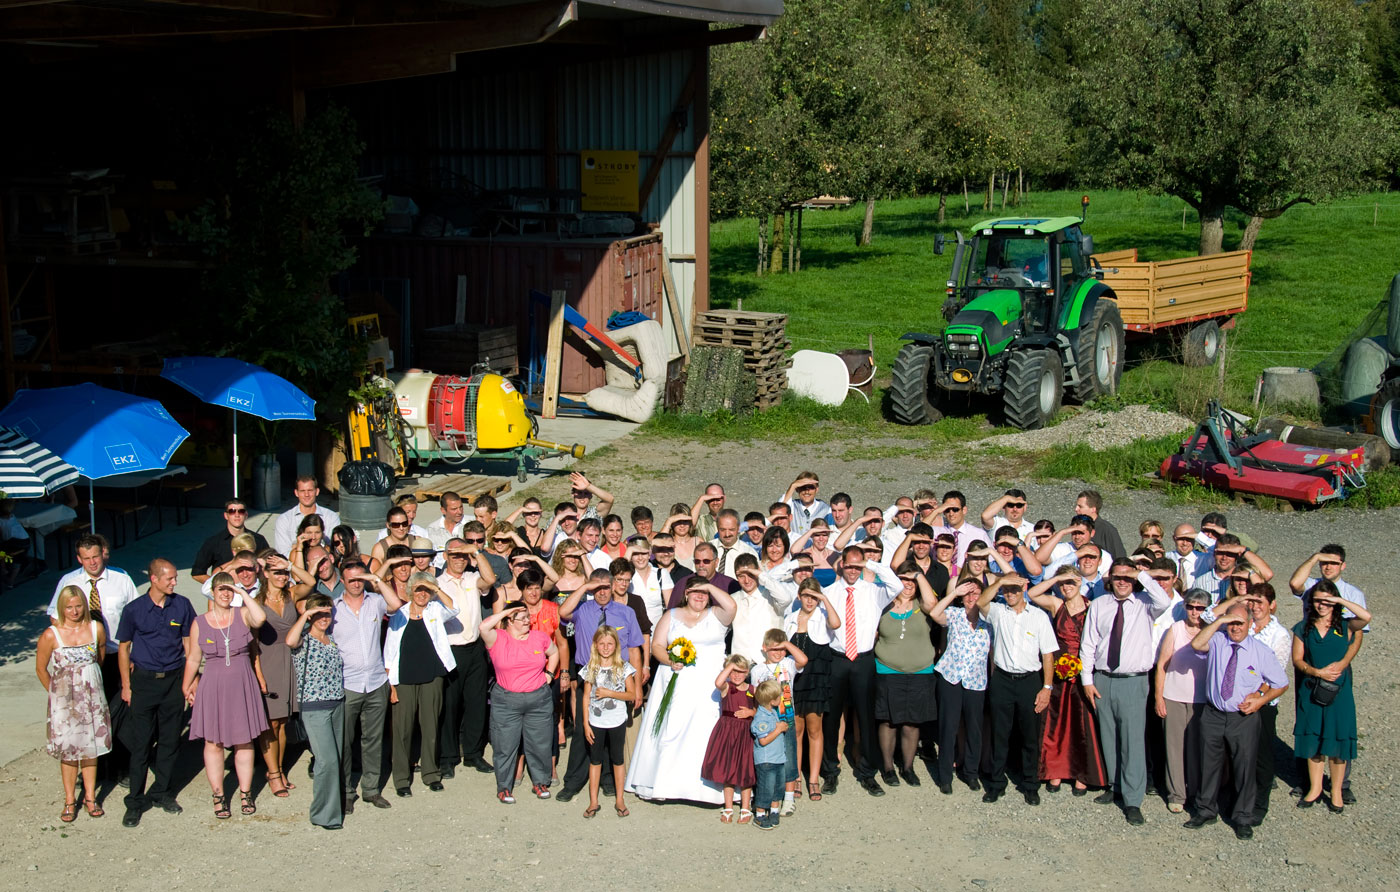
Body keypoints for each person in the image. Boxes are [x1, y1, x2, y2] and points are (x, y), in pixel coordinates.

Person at [626, 577, 737, 804]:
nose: (699, 596)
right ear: (685, 594)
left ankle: (708, 789)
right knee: (671, 729)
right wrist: (669, 660)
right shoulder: (671, 615)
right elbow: (657, 645)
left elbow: (732, 606)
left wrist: (708, 586)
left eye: (703, 593)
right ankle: (667, 783)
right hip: (676, 678)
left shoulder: (718, 614)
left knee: (705, 731)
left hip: (709, 686)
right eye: (694, 592)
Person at [1184, 603, 1289, 840]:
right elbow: (1196, 644)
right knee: (1208, 765)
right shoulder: (1218, 641)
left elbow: (1281, 683)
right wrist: (1219, 622)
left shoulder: (1261, 651)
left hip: (1242, 718)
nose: (1235, 628)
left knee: (1244, 767)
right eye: (1231, 622)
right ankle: (1205, 810)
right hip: (1213, 714)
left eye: (1239, 623)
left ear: (1250, 624)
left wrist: (1260, 700)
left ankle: (1242, 816)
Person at [1079, 559, 1170, 824]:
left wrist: (1141, 574)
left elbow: (1163, 600)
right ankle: (1114, 785)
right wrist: (1087, 679)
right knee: (1108, 736)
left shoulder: (1145, 603)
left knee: (1132, 740)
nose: (1122, 582)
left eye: (1127, 578)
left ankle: (1132, 798)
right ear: (1110, 579)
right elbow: (1089, 642)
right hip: (1103, 678)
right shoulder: (1099, 605)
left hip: (1133, 680)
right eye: (1118, 577)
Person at [183, 572, 270, 819]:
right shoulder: (200, 622)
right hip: (213, 685)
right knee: (213, 742)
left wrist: (242, 593)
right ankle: (219, 795)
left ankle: (245, 793)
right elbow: (193, 658)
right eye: (221, 589)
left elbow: (260, 618)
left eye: (228, 589)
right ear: (212, 592)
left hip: (242, 683)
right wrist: (187, 685)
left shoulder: (242, 614)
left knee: (244, 740)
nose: (224, 593)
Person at [115, 558, 195, 827]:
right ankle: (135, 801)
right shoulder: (134, 610)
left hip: (173, 681)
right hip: (144, 683)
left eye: (175, 578)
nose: (175, 582)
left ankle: (162, 792)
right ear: (154, 579)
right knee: (141, 745)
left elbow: (188, 642)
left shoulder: (181, 604)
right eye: (170, 578)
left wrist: (190, 680)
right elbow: (124, 647)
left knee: (171, 740)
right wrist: (127, 685)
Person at [820, 544, 903, 797]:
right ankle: (830, 771)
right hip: (837, 659)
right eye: (850, 565)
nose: (854, 570)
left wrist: (870, 565)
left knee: (866, 718)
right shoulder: (830, 591)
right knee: (832, 718)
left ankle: (868, 772)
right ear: (842, 564)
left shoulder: (874, 591)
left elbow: (897, 586)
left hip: (864, 660)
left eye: (858, 566)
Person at [558, 571, 647, 802]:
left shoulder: (626, 612)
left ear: (613, 586)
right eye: (597, 588)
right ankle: (574, 781)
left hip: (618, 676)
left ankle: (607, 779)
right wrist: (584, 587)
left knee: (612, 730)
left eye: (606, 587)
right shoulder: (582, 610)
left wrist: (637, 687)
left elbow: (635, 649)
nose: (603, 592)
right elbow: (563, 612)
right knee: (582, 730)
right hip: (590, 676)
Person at [1025, 568, 1108, 796]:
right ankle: (1056, 769)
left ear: (1080, 582)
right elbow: (1032, 594)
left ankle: (1082, 774)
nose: (1067, 587)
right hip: (1059, 671)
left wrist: (1084, 669)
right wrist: (1056, 579)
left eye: (1071, 582)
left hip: (1083, 672)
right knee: (1057, 722)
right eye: (1063, 584)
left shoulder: (1092, 606)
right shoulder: (1056, 604)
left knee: (1081, 725)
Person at [978, 572, 1056, 806]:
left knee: (1029, 735)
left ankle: (1030, 783)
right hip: (1002, 679)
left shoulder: (1039, 617)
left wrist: (1047, 687)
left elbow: (1048, 654)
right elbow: (981, 602)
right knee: (1000, 734)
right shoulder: (999, 612)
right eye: (1006, 590)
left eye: (1014, 589)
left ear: (1023, 589)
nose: (1010, 594)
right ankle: (996, 783)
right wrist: (1000, 582)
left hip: (1029, 680)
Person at [1292, 580, 1370, 813]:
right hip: (1312, 688)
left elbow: (1366, 617)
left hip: (1339, 692)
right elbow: (1297, 659)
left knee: (1338, 740)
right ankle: (1315, 788)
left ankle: (1336, 791)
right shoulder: (1303, 627)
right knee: (1313, 739)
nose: (1322, 605)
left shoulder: (1345, 626)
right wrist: (1317, 672)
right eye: (1317, 600)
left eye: (1327, 600)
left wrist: (1340, 601)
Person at [37, 586, 112, 822]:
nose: (74, 611)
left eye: (78, 605)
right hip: (64, 703)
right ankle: (70, 800)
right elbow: (40, 668)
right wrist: (56, 695)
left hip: (92, 698)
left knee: (90, 749)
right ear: (62, 607)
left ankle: (90, 797)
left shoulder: (95, 628)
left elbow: (99, 657)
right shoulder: (52, 634)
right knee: (69, 752)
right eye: (69, 607)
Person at [333, 562, 403, 813]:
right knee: (345, 740)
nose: (355, 583)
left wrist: (377, 579)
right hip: (347, 683)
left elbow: (396, 605)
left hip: (375, 681)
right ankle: (346, 791)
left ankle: (371, 789)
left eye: (359, 578)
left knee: (373, 739)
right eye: (350, 579)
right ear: (342, 581)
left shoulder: (375, 600)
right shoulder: (333, 608)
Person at [384, 572, 457, 797]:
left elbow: (454, 609)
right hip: (403, 678)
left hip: (432, 676)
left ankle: (431, 774)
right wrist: (391, 685)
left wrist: (433, 588)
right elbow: (389, 650)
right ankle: (402, 778)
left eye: (426, 590)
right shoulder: (400, 614)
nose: (422, 594)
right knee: (402, 730)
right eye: (418, 589)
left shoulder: (435, 610)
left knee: (430, 727)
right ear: (409, 591)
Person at [481, 600, 560, 804]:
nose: (528, 621)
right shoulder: (497, 638)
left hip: (538, 698)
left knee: (540, 743)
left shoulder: (538, 637)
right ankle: (504, 787)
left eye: (528, 617)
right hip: (506, 700)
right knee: (505, 745)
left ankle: (540, 781)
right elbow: (483, 626)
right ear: (509, 620)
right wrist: (508, 610)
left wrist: (549, 675)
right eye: (522, 618)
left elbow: (554, 652)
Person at [872, 563, 938, 788]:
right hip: (888, 671)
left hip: (920, 672)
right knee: (889, 721)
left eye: (912, 581)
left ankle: (908, 767)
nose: (908, 585)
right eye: (903, 580)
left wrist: (918, 575)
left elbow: (933, 603)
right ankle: (889, 767)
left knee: (912, 722)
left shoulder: (923, 605)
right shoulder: (884, 605)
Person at [436, 536, 497, 778]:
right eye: (454, 555)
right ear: (445, 557)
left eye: (463, 555)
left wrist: (477, 553)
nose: (459, 559)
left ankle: (473, 753)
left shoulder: (473, 578)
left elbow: (490, 579)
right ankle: (448, 756)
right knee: (450, 705)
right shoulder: (438, 582)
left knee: (476, 703)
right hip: (451, 649)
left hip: (475, 648)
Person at [929, 570, 993, 795]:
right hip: (951, 677)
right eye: (967, 593)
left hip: (976, 681)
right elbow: (935, 613)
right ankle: (945, 775)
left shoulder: (990, 620)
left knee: (974, 730)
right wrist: (955, 592)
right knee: (949, 728)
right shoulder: (955, 614)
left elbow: (993, 653)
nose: (971, 597)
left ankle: (971, 773)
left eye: (976, 593)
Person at [285, 595, 345, 830]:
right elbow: (289, 641)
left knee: (337, 758)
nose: (323, 618)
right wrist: (306, 615)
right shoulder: (303, 639)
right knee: (326, 760)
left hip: (337, 703)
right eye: (318, 614)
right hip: (314, 707)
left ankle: (335, 807)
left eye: (327, 614)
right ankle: (323, 815)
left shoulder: (332, 639)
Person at [1154, 588, 1212, 814]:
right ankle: (1176, 793)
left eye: (1200, 608)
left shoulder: (1212, 632)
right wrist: (1159, 696)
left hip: (1202, 699)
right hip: (1175, 696)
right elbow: (1162, 665)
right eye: (1191, 606)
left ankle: (1197, 792)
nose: (1195, 612)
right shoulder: (1175, 629)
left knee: (1197, 748)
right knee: (1175, 748)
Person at [783, 577, 839, 800]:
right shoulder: (789, 619)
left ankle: (813, 779)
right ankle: (796, 776)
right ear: (799, 596)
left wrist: (824, 599)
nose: (810, 601)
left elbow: (836, 624)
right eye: (806, 595)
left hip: (817, 678)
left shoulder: (823, 616)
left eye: (814, 597)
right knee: (796, 730)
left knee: (815, 729)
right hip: (795, 680)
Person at [252, 553, 298, 798]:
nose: (282, 576)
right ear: (266, 573)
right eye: (276, 571)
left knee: (283, 722)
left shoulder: (292, 595)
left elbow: (310, 583)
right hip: (267, 662)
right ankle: (273, 774)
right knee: (270, 723)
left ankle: (278, 770)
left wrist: (289, 565)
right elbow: (253, 644)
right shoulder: (256, 601)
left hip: (289, 662)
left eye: (284, 572)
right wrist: (259, 675)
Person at [580, 626, 636, 818]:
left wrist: (609, 693)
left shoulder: (624, 667)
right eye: (602, 644)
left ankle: (619, 799)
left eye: (610, 644)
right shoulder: (590, 668)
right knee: (595, 760)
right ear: (595, 645)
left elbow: (632, 695)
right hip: (596, 721)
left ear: (616, 645)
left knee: (617, 759)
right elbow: (586, 697)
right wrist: (586, 724)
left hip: (617, 720)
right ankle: (593, 801)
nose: (606, 647)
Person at [751, 629, 808, 815]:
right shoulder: (758, 670)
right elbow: (755, 695)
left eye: (781, 649)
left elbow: (804, 660)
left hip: (786, 717)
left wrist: (787, 645)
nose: (778, 653)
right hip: (767, 718)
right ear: (764, 648)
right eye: (774, 649)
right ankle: (766, 797)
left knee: (789, 756)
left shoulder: (789, 663)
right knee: (768, 757)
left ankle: (789, 798)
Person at [702, 653, 758, 824]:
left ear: (747, 672)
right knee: (728, 768)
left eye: (740, 672)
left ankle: (745, 807)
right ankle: (728, 807)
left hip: (745, 733)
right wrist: (730, 666)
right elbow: (718, 682)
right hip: (727, 731)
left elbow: (761, 709)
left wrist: (751, 712)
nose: (736, 675)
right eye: (733, 671)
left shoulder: (752, 690)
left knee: (745, 769)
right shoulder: (727, 687)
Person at [192, 499, 269, 583]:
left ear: (246, 515)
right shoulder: (213, 542)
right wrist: (217, 586)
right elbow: (197, 573)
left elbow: (269, 567)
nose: (237, 515)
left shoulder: (258, 540)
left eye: (241, 511)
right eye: (232, 511)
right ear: (226, 515)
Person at [750, 680, 789, 830]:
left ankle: (774, 810)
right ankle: (760, 815)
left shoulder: (772, 712)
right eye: (779, 696)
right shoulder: (761, 717)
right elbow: (764, 740)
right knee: (766, 787)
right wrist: (778, 730)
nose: (780, 698)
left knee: (778, 786)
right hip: (766, 760)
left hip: (778, 757)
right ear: (772, 700)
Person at [274, 475, 339, 555]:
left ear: (317, 491)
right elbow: (283, 552)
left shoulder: (331, 517)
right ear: (296, 493)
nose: (306, 494)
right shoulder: (284, 520)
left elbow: (335, 549)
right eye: (302, 491)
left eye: (310, 490)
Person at [782, 471, 831, 537]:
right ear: (797, 489)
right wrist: (792, 486)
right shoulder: (792, 506)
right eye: (803, 487)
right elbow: (780, 509)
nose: (806, 491)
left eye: (811, 487)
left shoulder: (826, 509)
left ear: (816, 489)